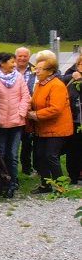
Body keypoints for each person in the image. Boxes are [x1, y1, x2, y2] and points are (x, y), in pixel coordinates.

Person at [28, 55, 73, 193]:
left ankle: (61, 187)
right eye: (36, 68)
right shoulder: (39, 84)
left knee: (51, 156)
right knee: (40, 156)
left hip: (57, 129)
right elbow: (34, 102)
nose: (37, 71)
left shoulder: (57, 85)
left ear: (50, 71)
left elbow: (56, 108)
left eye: (40, 69)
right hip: (42, 128)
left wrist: (36, 115)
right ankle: (45, 185)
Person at [0, 52, 31, 197]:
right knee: (1, 154)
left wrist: (21, 113)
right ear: (2, 63)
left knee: (13, 155)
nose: (14, 64)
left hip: (16, 123)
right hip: (0, 123)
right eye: (11, 62)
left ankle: (12, 183)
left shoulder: (18, 77)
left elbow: (26, 96)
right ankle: (0, 182)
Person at [15, 47, 37, 175]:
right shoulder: (10, 70)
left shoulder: (34, 70)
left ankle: (27, 167)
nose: (22, 58)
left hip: (30, 110)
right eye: (20, 56)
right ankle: (13, 166)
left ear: (29, 57)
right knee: (15, 141)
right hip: (14, 111)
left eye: (25, 56)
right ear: (16, 57)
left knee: (28, 141)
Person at [63, 54, 82, 184]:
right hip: (74, 119)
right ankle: (73, 175)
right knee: (73, 148)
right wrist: (72, 77)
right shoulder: (71, 73)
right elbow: (60, 80)